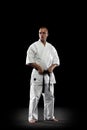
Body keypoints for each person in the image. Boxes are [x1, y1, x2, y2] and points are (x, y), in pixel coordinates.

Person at [26, 27, 60, 123]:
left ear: (47, 34)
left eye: (44, 33)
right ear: (38, 34)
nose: (42, 35)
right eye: (40, 33)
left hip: (48, 75)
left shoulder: (51, 47)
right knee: (34, 97)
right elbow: (29, 60)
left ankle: (49, 116)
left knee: (50, 97)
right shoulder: (33, 46)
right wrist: (38, 67)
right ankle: (32, 117)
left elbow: (56, 60)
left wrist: (52, 68)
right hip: (37, 74)